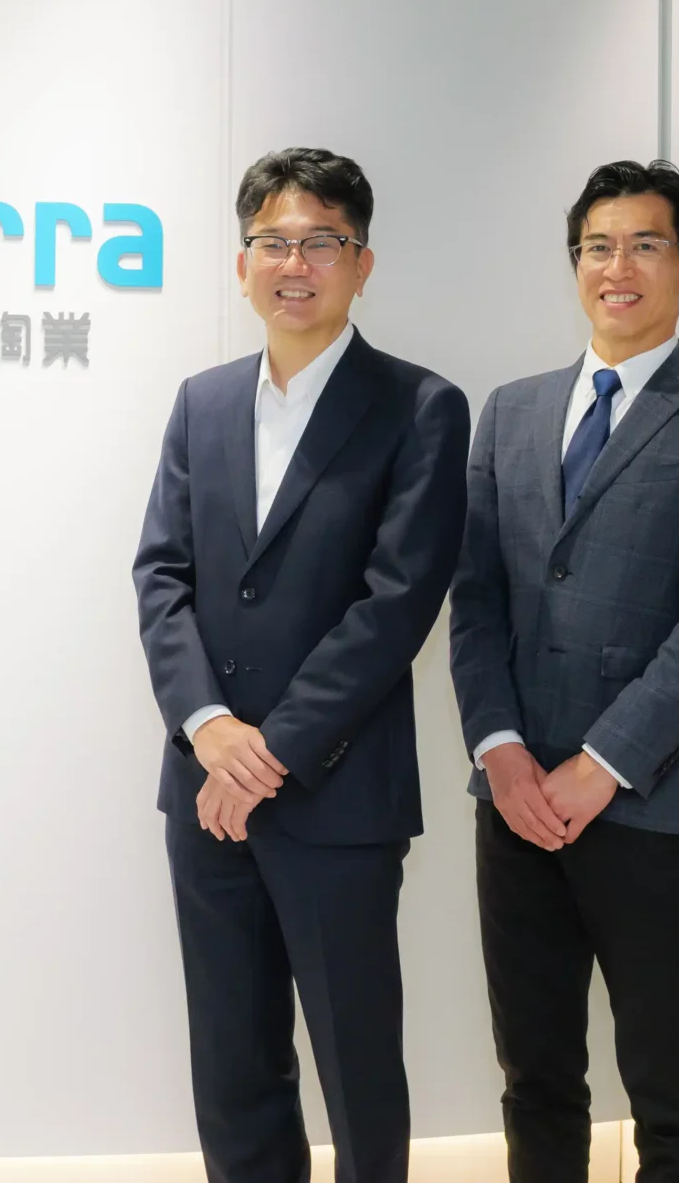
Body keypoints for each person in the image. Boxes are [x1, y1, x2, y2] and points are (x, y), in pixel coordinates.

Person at [448, 159, 679, 1183]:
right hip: (515, 807)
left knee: (669, 1090)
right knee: (534, 1075)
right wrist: (500, 750)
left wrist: (600, 764)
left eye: (645, 245)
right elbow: (477, 601)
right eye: (597, 246)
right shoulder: (510, 411)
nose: (617, 267)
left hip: (650, 805)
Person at [132, 148, 470, 1183]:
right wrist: (207, 728)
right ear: (242, 264)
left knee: (355, 1062)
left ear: (362, 262)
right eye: (272, 243)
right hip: (206, 797)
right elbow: (161, 576)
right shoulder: (201, 402)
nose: (295, 264)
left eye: (321, 242)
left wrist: (268, 752)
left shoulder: (419, 406)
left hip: (337, 796)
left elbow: (395, 602)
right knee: (233, 1064)